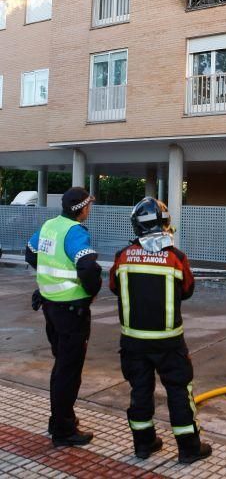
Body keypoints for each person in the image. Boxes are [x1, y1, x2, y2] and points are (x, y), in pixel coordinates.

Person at [109, 197, 212, 464]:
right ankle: (189, 450)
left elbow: (113, 287)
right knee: (178, 391)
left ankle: (144, 446)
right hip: (169, 343)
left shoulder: (122, 256)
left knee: (140, 391)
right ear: (164, 224)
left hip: (133, 342)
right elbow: (187, 290)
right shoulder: (176, 258)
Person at [25, 186, 102, 447]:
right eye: (88, 205)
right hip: (71, 311)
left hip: (50, 307)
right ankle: (63, 430)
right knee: (69, 371)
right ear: (81, 209)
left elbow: (30, 252)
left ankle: (60, 418)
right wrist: (91, 291)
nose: (90, 210)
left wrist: (46, 278)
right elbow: (88, 266)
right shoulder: (74, 232)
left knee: (61, 367)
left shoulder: (50, 226)